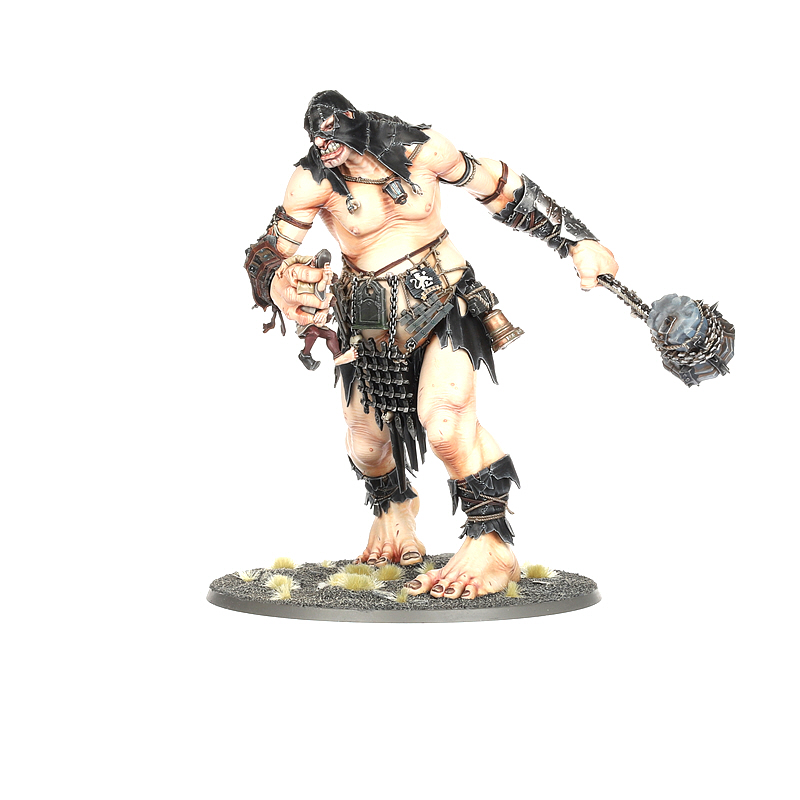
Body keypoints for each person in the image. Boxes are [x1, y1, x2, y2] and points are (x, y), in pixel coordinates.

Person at [243, 90, 619, 600]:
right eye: (316, 139)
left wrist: (577, 240)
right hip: (366, 321)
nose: (323, 148)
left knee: (444, 423)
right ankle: (394, 513)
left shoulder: (418, 147)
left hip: (442, 299)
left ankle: (490, 543)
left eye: (330, 136)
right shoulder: (312, 180)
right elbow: (268, 250)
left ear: (352, 122)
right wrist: (278, 284)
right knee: (366, 444)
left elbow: (500, 187)